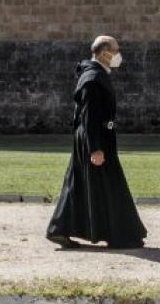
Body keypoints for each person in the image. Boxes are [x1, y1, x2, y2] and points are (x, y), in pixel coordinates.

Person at [46, 34, 147, 249]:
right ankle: (121, 235)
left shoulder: (97, 75)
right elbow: (89, 116)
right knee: (109, 185)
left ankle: (60, 229)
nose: (118, 55)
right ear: (104, 53)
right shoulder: (92, 79)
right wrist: (95, 148)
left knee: (79, 185)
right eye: (116, 50)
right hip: (95, 140)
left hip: (97, 138)